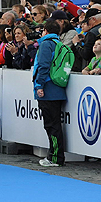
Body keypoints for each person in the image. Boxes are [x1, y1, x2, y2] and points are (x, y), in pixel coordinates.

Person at [33, 19, 66, 167]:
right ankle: (55, 156)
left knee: (51, 125)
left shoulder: (46, 44)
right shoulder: (60, 44)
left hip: (48, 89)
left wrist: (39, 85)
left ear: (45, 30)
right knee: (54, 125)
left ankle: (55, 158)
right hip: (57, 88)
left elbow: (43, 66)